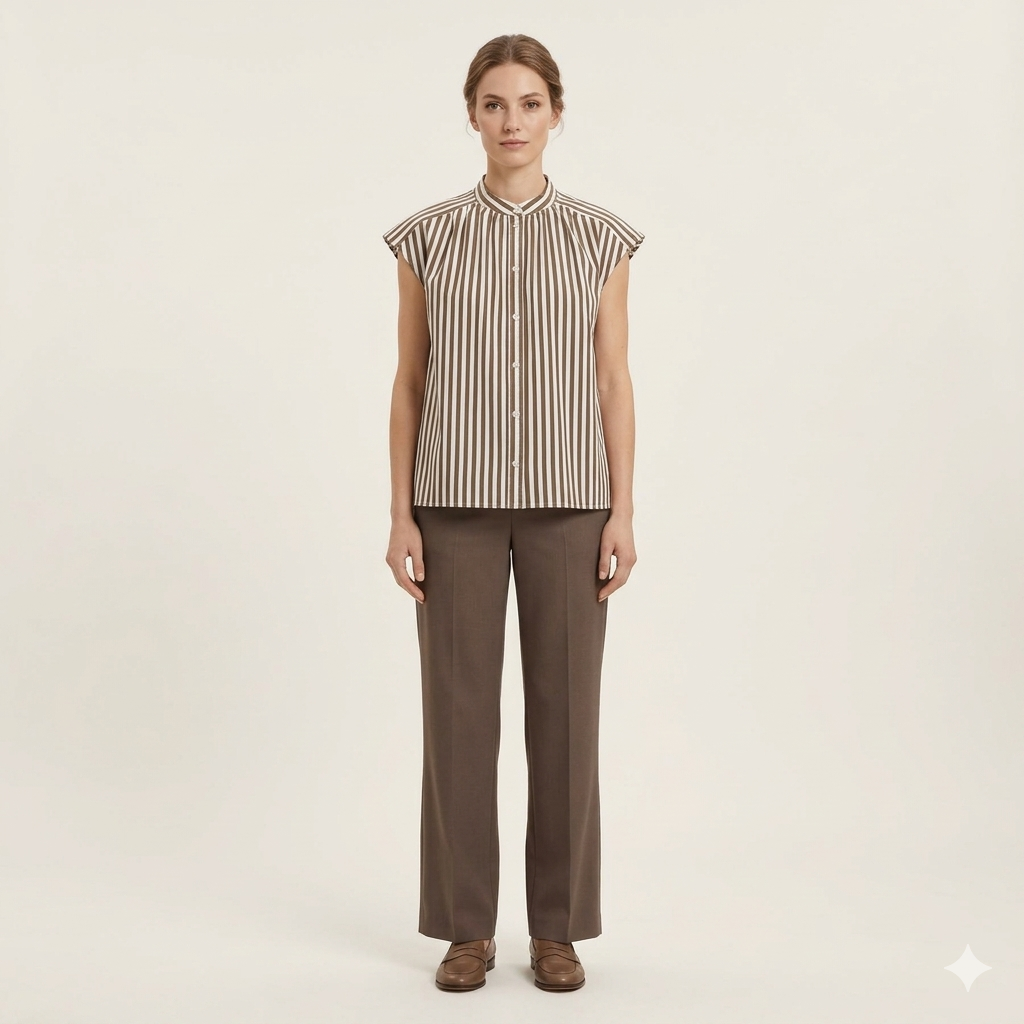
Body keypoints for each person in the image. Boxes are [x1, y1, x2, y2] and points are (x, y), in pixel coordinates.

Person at [382, 33, 644, 993]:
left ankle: (558, 930)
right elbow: (410, 382)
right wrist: (401, 514)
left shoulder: (601, 239)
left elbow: (613, 380)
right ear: (472, 115)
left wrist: (622, 510)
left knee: (567, 718)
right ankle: (466, 930)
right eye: (494, 103)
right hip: (452, 505)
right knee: (457, 719)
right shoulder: (427, 238)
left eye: (529, 103)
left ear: (556, 114)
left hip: (571, 507)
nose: (512, 121)